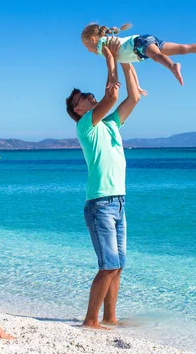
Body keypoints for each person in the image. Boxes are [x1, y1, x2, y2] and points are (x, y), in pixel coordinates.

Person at [65, 38, 140, 329]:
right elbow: (111, 96)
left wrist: (126, 59)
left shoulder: (109, 125)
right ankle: (90, 320)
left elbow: (133, 97)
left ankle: (110, 317)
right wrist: (109, 57)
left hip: (119, 200)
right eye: (81, 97)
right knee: (107, 265)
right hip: (100, 203)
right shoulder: (85, 125)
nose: (87, 95)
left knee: (117, 266)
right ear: (78, 110)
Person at [81, 22, 196, 88]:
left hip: (139, 44)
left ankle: (172, 66)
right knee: (183, 48)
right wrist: (137, 85)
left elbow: (109, 58)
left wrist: (113, 77)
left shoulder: (102, 45)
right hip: (143, 41)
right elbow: (128, 65)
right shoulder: (115, 47)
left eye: (87, 46)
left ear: (94, 40)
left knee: (157, 57)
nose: (88, 50)